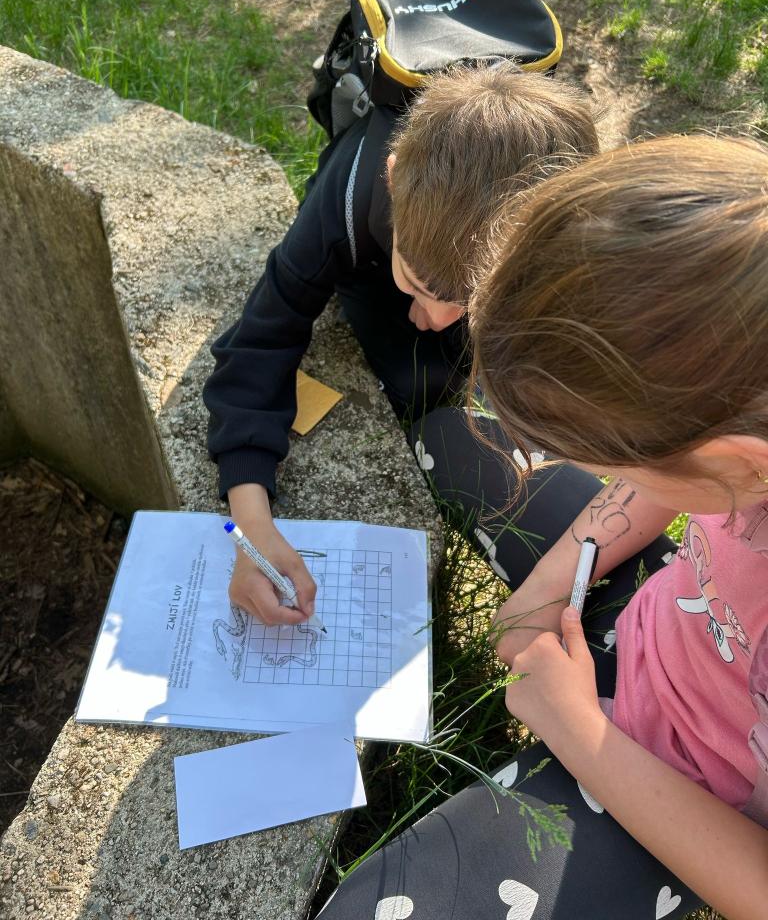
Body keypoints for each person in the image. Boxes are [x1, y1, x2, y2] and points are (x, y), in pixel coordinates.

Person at [314, 134, 768, 920]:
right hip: (667, 624)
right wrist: (550, 583)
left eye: (611, 458)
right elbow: (668, 479)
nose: (605, 472)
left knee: (367, 912)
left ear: (731, 460)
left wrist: (576, 727)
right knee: (448, 440)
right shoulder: (740, 391)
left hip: (689, 791)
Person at [203, 64, 599, 628]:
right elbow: (260, 340)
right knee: (418, 385)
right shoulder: (344, 199)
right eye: (417, 285)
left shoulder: (564, 227)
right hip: (371, 247)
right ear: (391, 178)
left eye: (467, 303)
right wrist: (250, 525)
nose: (436, 319)